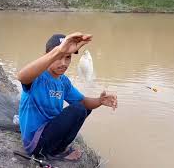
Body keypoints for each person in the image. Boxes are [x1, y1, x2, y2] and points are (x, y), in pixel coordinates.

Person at [17, 32, 118, 161]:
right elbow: (21, 76)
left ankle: (58, 147)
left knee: (84, 108)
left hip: (50, 132)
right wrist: (59, 50)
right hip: (36, 142)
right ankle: (51, 152)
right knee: (78, 109)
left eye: (68, 57)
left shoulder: (63, 81)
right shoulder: (37, 76)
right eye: (59, 57)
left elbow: (83, 101)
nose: (64, 63)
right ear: (47, 56)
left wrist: (100, 101)